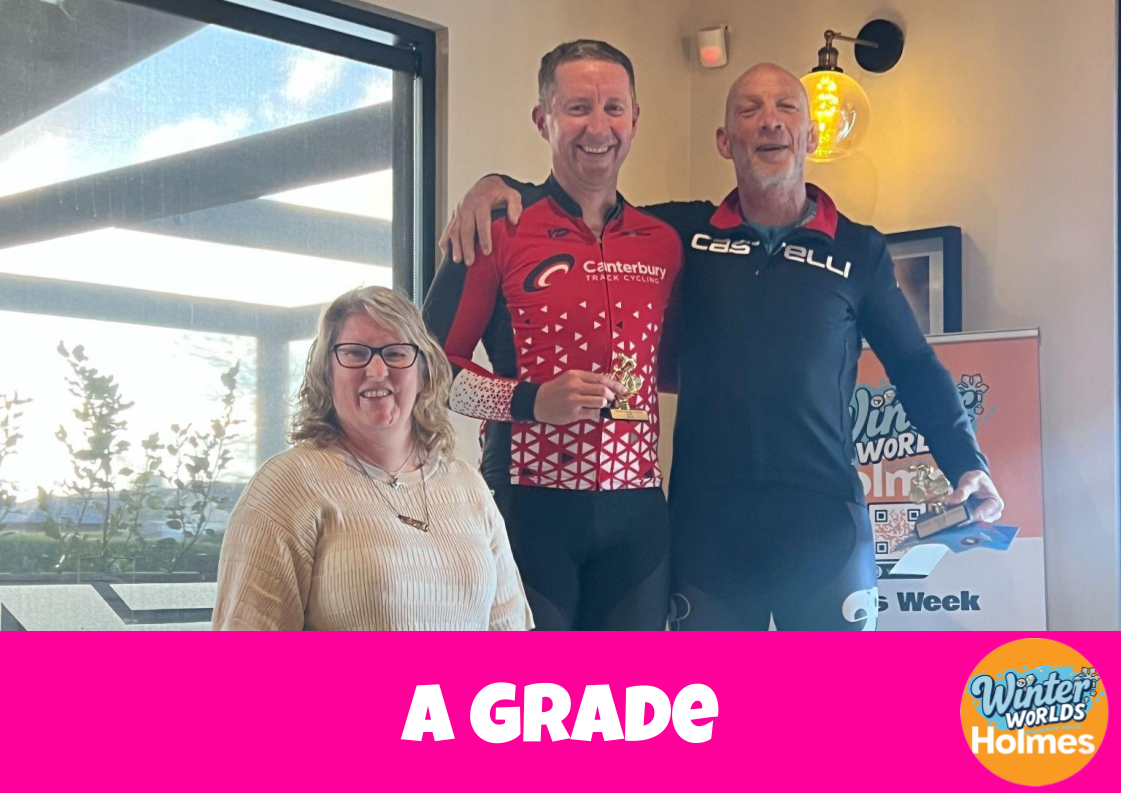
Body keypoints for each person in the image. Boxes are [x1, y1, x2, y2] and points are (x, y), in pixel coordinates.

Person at [440, 63, 1004, 631]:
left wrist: (965, 463)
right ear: (724, 140)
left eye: (786, 107)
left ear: (811, 136)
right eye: (749, 110)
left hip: (823, 523)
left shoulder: (859, 250)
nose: (769, 122)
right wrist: (496, 188)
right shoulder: (681, 235)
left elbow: (913, 364)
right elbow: (587, 204)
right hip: (707, 533)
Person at [422, 40, 683, 631]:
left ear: (635, 119)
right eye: (577, 108)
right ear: (543, 120)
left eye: (614, 108)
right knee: (530, 689)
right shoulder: (499, 229)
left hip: (638, 516)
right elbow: (425, 369)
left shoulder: (663, 241)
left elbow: (680, 366)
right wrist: (531, 400)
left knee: (631, 690)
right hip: (529, 508)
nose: (599, 127)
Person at [213, 286, 532, 631]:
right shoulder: (287, 486)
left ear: (424, 374)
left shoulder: (468, 486)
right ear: (326, 373)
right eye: (354, 353)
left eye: (396, 353)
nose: (377, 370)